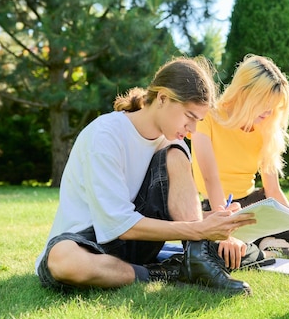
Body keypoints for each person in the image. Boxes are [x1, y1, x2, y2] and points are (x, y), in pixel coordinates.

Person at [35, 56, 269, 296]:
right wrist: (200, 229)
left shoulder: (172, 143)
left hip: (139, 244)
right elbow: (119, 224)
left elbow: (171, 211)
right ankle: (165, 272)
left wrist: (215, 221)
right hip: (87, 242)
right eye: (190, 116)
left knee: (176, 153)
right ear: (163, 98)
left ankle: (197, 260)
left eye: (198, 121)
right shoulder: (105, 135)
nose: (192, 130)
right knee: (64, 261)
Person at [191, 54, 289, 255]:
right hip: (218, 207)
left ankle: (271, 245)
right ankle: (270, 246)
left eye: (274, 106)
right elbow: (210, 178)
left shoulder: (265, 129)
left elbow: (272, 189)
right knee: (223, 253)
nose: (270, 112)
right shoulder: (208, 117)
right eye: (265, 103)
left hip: (257, 206)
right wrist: (225, 227)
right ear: (245, 94)